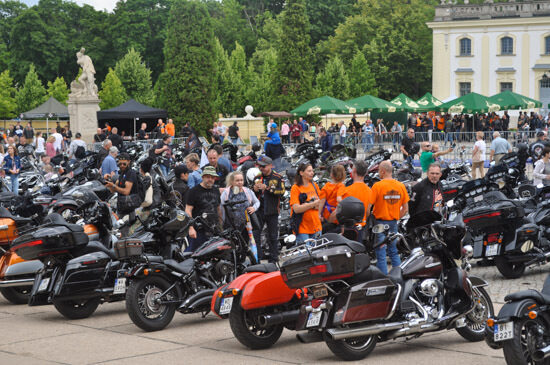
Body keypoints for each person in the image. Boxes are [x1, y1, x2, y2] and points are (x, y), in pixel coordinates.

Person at [370, 161, 409, 275]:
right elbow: (405, 209)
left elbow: (368, 207)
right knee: (393, 251)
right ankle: (398, 275)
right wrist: (396, 218)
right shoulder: (400, 186)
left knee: (381, 253)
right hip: (393, 223)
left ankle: (383, 278)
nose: (378, 173)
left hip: (379, 223)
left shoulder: (377, 186)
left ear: (382, 171)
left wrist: (369, 218)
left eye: (378, 171)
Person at [252, 155, 285, 262]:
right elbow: (251, 194)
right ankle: (258, 259)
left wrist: (267, 189)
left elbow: (282, 192)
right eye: (260, 166)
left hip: (272, 211)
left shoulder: (278, 177)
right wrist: (255, 189)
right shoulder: (257, 177)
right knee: (256, 236)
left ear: (270, 165)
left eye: (264, 166)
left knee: (273, 237)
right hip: (259, 210)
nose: (261, 168)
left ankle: (273, 260)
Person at [333, 161, 372, 243]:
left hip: (348, 228)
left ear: (354, 171)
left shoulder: (346, 190)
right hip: (361, 226)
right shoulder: (369, 191)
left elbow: (340, 212)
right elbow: (368, 211)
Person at [185, 166, 222, 251]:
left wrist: (220, 227)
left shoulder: (216, 190)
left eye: (212, 177)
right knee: (193, 254)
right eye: (208, 177)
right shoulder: (193, 191)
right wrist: (191, 228)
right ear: (203, 177)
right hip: (198, 230)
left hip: (213, 230)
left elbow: (218, 209)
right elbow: (188, 210)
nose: (210, 179)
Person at [290, 163, 322, 243]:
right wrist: (313, 204)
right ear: (301, 173)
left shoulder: (315, 185)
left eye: (312, 171)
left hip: (316, 227)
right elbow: (296, 209)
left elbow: (321, 204)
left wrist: (306, 205)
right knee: (306, 253)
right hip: (302, 228)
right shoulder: (295, 188)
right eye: (309, 171)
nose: (312, 173)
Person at [105, 152, 139, 217]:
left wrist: (113, 185)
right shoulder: (122, 174)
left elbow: (126, 191)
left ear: (129, 162)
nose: (122, 166)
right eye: (120, 164)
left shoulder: (131, 173)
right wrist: (109, 182)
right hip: (121, 207)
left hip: (130, 208)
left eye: (124, 164)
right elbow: (113, 190)